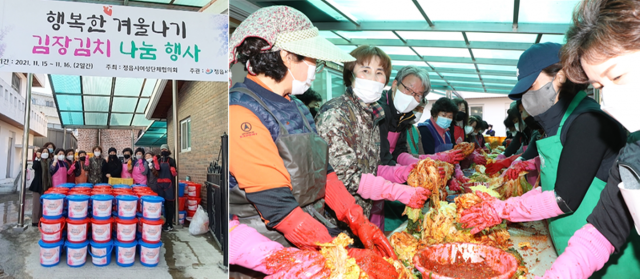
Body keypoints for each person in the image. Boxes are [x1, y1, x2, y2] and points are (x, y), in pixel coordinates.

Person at [228, 6, 397, 277]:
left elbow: (325, 174)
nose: (315, 68)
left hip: (311, 232)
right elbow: (279, 208)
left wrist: (357, 220)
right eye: (312, 59)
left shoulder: (298, 107)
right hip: (270, 250)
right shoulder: (240, 111)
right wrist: (342, 254)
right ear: (286, 55)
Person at [459, 42, 632, 278]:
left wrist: (502, 209)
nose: (526, 99)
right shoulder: (559, 124)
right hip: (572, 255)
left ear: (560, 76)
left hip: (607, 262)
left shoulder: (587, 121)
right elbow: (549, 186)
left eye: (532, 86)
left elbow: (563, 199)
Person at [535, 1, 640, 277]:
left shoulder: (584, 122)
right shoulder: (633, 152)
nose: (609, 100)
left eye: (617, 75)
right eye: (600, 87)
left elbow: (564, 198)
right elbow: (606, 227)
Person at [316, 46, 431, 232]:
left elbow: (373, 166)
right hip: (337, 221)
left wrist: (406, 173)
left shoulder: (373, 114)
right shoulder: (337, 113)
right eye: (365, 71)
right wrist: (397, 191)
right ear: (350, 74)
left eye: (379, 72)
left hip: (363, 215)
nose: (373, 78)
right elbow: (344, 178)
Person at [378, 65, 431, 166]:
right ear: (394, 84)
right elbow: (381, 156)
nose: (411, 97)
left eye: (418, 95)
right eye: (408, 89)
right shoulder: (380, 110)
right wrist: (402, 172)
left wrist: (418, 164)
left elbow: (399, 150)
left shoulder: (404, 115)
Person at [28, 148, 51, 226]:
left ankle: (42, 219)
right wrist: (37, 158)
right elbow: (35, 167)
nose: (45, 153)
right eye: (43, 152)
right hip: (38, 185)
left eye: (46, 152)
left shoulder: (49, 162)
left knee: (43, 205)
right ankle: (35, 221)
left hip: (47, 186)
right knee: (36, 205)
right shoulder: (38, 161)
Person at [156, 144, 177, 231]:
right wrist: (154, 166)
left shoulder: (171, 160)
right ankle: (163, 222)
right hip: (160, 185)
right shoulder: (158, 160)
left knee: (169, 205)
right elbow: (156, 171)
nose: (163, 150)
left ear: (168, 150)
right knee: (162, 205)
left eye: (165, 149)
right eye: (162, 149)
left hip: (169, 185)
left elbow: (175, 172)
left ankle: (169, 223)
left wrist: (174, 171)